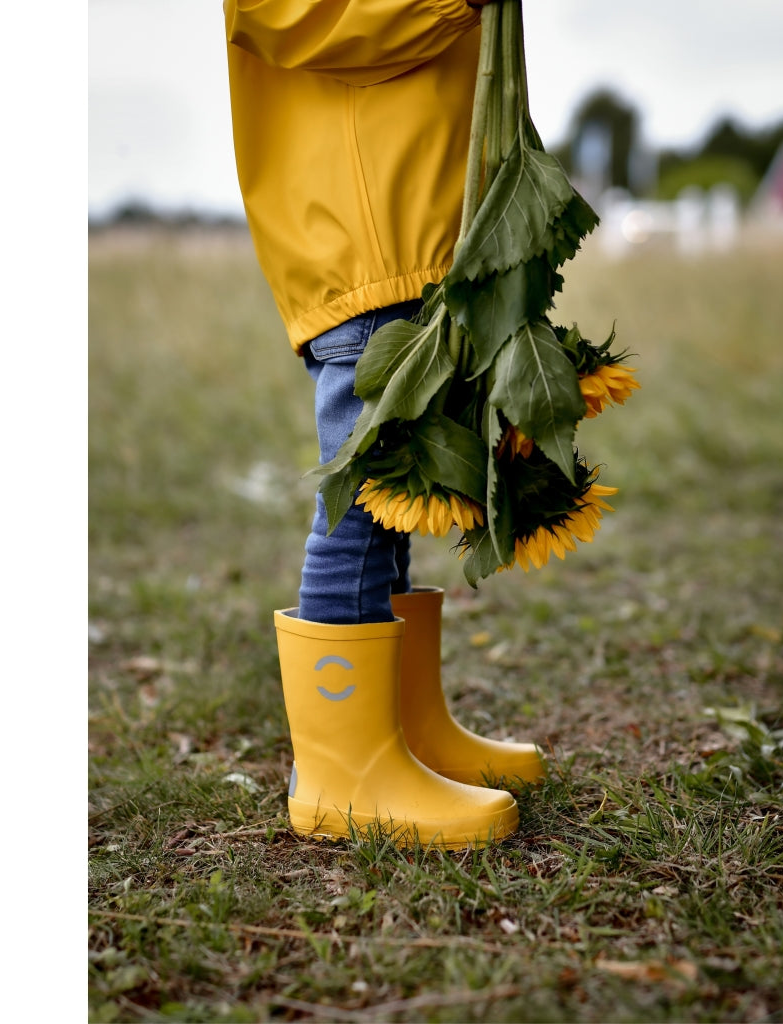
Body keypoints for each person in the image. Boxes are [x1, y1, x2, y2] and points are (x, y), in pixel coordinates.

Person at [223, 0, 544, 849]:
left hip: (414, 236)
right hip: (366, 237)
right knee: (362, 506)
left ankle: (404, 732)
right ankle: (345, 771)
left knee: (398, 498)